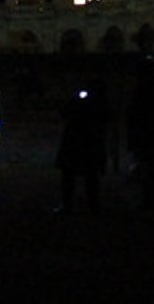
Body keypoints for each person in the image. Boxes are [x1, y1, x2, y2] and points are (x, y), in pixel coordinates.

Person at [54, 78, 108, 212]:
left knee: (82, 173)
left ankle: (85, 203)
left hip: (81, 139)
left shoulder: (94, 103)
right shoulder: (94, 103)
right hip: (84, 139)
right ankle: (85, 203)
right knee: (84, 173)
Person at [125, 57, 154, 211]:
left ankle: (150, 199)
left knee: (147, 169)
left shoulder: (142, 91)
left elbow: (134, 115)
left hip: (145, 136)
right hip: (153, 135)